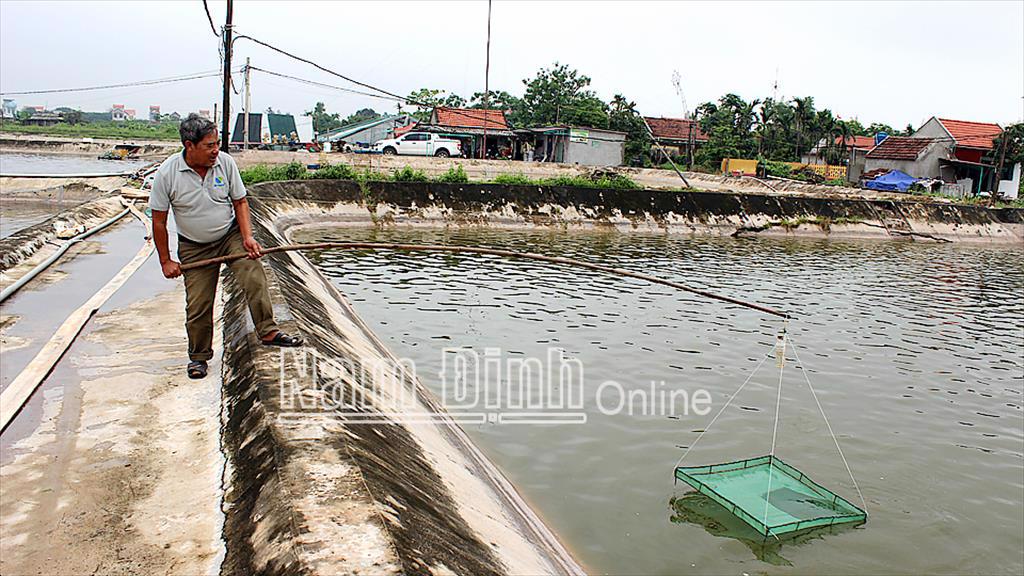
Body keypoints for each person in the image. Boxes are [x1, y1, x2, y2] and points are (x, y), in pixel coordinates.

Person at [150, 113, 302, 379]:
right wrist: (166, 260)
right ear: (190, 145)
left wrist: (247, 237)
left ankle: (268, 331)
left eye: (217, 143)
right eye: (210, 145)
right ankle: (198, 357)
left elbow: (240, 202)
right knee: (198, 304)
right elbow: (159, 221)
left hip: (229, 236)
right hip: (194, 245)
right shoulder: (167, 173)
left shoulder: (225, 164)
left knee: (254, 275)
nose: (216, 150)